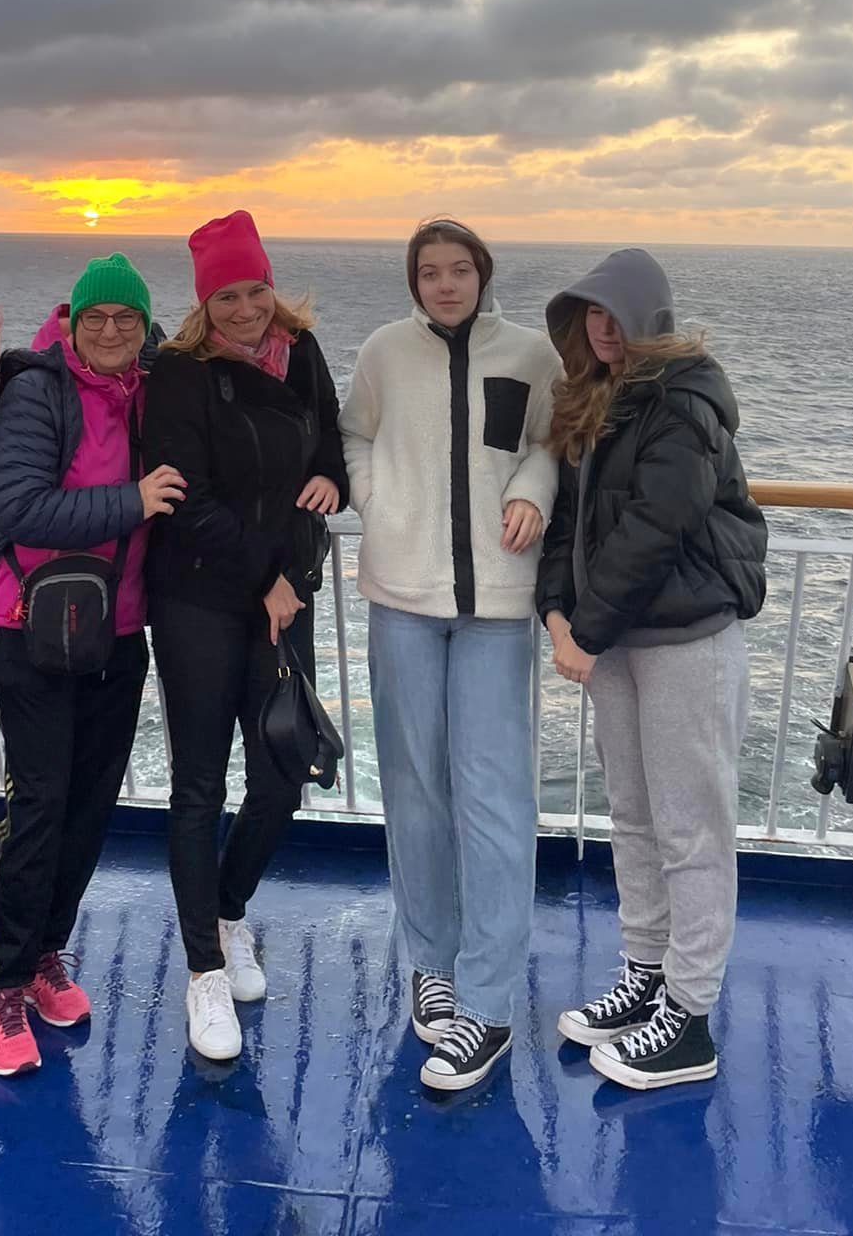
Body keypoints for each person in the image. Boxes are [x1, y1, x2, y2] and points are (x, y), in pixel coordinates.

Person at [340, 216, 560, 1094]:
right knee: (416, 792)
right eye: (429, 271)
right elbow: (354, 434)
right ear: (413, 281)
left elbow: (550, 441)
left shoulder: (531, 353)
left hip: (498, 606)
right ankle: (431, 961)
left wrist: (534, 488)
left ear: (483, 273)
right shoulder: (385, 353)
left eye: (458, 269)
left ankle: (490, 1002)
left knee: (495, 799)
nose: (444, 284)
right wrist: (375, 497)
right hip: (402, 599)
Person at [538, 248, 766, 1090]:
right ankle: (646, 976)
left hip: (684, 640)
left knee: (691, 830)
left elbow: (656, 526)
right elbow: (569, 524)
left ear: (651, 318)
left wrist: (585, 631)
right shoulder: (595, 398)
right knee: (633, 818)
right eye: (591, 316)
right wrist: (556, 611)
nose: (603, 330)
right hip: (617, 642)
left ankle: (690, 1018)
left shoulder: (685, 398)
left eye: (616, 315)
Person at [0, 255, 185, 1079]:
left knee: (91, 806)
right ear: (72, 321)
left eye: (126, 318)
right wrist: (132, 500)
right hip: (30, 623)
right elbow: (20, 505)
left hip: (116, 629)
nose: (110, 330)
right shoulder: (39, 390)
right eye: (95, 317)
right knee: (40, 805)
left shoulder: (153, 390)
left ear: (144, 326)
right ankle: (4, 986)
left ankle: (47, 954)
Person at [142, 211, 347, 1064]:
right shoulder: (179, 372)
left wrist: (330, 477)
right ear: (204, 302)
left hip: (282, 602)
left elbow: (328, 442)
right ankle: (203, 972)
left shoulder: (301, 352)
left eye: (255, 289)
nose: (245, 309)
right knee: (199, 787)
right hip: (198, 599)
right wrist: (265, 573)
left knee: (279, 779)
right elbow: (182, 497)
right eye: (226, 295)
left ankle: (228, 916)